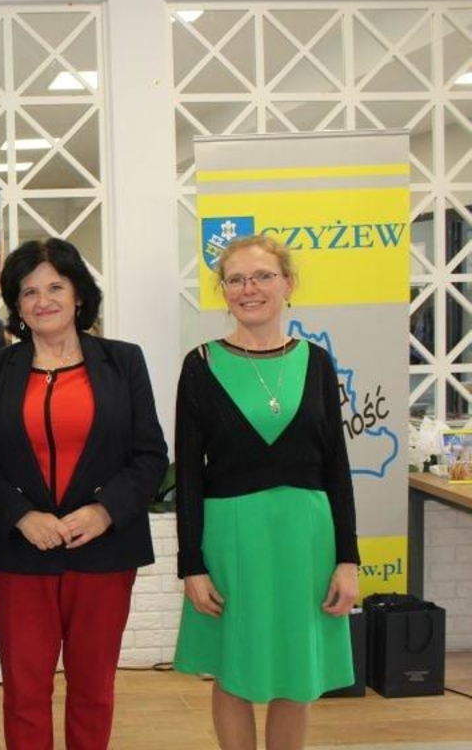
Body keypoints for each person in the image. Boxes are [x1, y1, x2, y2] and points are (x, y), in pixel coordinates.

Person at [0, 238, 168, 750]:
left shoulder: (124, 361)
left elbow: (150, 455)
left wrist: (105, 511)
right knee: (24, 694)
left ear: (79, 295)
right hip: (19, 551)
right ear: (17, 304)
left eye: (55, 287)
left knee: (94, 691)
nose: (43, 300)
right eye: (29, 291)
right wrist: (21, 515)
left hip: (104, 550)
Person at [173, 235, 359, 750]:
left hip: (306, 538)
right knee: (233, 669)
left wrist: (348, 559)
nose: (248, 288)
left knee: (296, 672)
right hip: (231, 540)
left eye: (262, 276)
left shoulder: (317, 362)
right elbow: (188, 474)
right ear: (223, 291)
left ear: (288, 284)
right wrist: (191, 565)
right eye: (235, 279)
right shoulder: (200, 364)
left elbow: (336, 468)